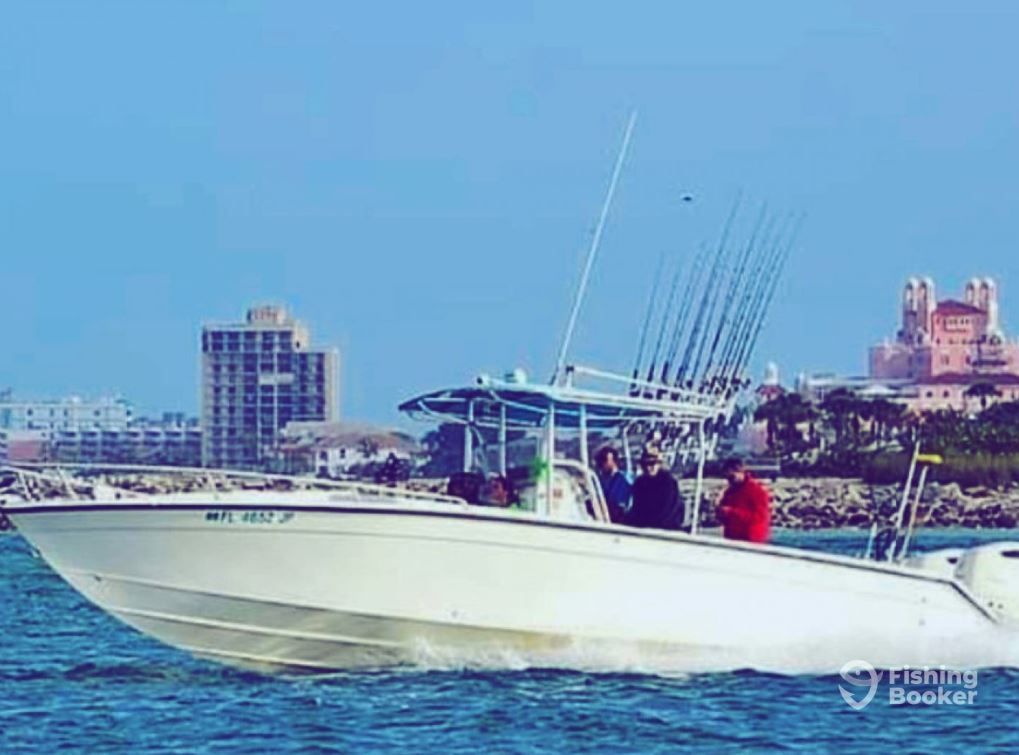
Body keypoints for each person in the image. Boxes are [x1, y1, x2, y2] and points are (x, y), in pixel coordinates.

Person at [626, 446, 684, 530]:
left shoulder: (668, 482)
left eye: (652, 463)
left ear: (659, 464)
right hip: (643, 528)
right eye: (645, 464)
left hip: (666, 529)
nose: (648, 467)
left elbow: (667, 511)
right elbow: (636, 508)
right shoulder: (639, 483)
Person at [716, 457, 771, 544]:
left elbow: (760, 517)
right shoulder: (730, 492)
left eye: (731, 477)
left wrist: (731, 512)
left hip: (751, 540)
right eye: (727, 477)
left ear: (740, 472)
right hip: (733, 539)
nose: (729, 480)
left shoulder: (757, 491)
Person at [594, 446, 631, 523]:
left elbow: (622, 506)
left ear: (614, 460)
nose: (601, 463)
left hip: (621, 519)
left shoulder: (625, 478)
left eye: (604, 459)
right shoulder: (599, 481)